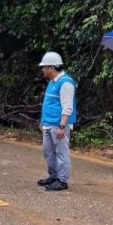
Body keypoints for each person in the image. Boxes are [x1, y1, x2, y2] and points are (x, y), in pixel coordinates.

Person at [37, 52, 77, 191]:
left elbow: (67, 107)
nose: (42, 70)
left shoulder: (65, 83)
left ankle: (62, 180)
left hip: (58, 124)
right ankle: (53, 176)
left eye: (44, 67)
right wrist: (43, 122)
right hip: (48, 124)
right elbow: (49, 104)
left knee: (61, 153)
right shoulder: (52, 82)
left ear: (51, 68)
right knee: (48, 152)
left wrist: (62, 126)